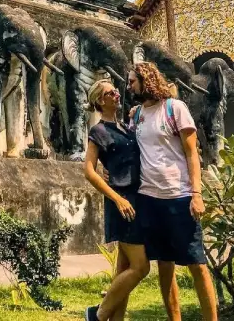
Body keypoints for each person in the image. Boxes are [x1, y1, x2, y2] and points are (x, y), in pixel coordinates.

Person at [128, 62, 217, 321]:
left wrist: (196, 194)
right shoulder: (136, 115)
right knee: (164, 266)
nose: (129, 86)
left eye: (133, 81)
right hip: (149, 199)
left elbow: (192, 153)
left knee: (197, 265)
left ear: (146, 80)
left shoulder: (175, 109)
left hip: (179, 198)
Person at [84, 80, 150, 321]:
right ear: (101, 101)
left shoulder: (126, 127)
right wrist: (116, 199)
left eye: (115, 90)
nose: (116, 94)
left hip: (137, 198)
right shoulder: (98, 131)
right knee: (141, 267)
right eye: (110, 92)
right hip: (121, 202)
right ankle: (98, 315)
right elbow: (89, 170)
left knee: (124, 269)